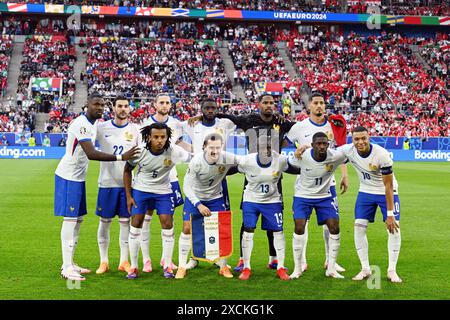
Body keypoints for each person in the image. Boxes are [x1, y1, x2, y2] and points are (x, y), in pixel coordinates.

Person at [191, 94, 297, 272]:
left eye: (272, 103)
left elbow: (300, 128)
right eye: (265, 103)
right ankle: (242, 259)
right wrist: (201, 117)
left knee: (274, 221)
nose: (269, 105)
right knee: (248, 221)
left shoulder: (282, 123)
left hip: (274, 175)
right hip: (252, 173)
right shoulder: (249, 120)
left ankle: (274, 258)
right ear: (259, 104)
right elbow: (224, 117)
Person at [55, 92, 140, 281]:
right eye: (96, 104)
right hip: (68, 176)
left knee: (77, 220)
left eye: (102, 105)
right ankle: (66, 267)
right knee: (70, 220)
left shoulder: (93, 125)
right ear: (87, 104)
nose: (99, 108)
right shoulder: (82, 124)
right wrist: (121, 157)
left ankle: (70, 262)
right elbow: (92, 153)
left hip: (78, 177)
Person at [285, 92, 348, 273]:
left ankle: (331, 261)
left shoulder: (332, 125)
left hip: (329, 182)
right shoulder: (299, 127)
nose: (319, 106)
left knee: (331, 223)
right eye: (316, 103)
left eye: (322, 103)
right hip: (304, 183)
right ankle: (302, 261)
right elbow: (284, 144)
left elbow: (340, 151)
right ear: (309, 106)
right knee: (301, 223)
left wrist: (345, 175)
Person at [123, 122, 191, 279]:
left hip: (163, 191)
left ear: (167, 137)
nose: (159, 140)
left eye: (163, 137)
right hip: (141, 190)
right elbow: (127, 171)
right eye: (156, 137)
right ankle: (133, 267)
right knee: (136, 224)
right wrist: (129, 196)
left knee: (167, 223)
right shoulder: (139, 150)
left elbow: (193, 159)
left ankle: (167, 265)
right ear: (149, 137)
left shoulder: (174, 151)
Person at [337, 126, 402, 283]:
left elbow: (388, 186)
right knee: (358, 227)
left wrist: (390, 214)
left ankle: (392, 270)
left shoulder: (382, 155)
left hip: (387, 192)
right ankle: (365, 268)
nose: (360, 142)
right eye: (356, 139)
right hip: (365, 192)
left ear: (369, 137)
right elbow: (328, 156)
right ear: (352, 140)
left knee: (394, 228)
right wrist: (344, 175)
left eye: (363, 138)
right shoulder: (348, 150)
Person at [180, 97, 236, 270]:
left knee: (218, 221)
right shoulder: (192, 125)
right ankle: (194, 258)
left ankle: (218, 257)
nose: (210, 110)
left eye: (213, 108)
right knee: (192, 223)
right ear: (201, 109)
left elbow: (241, 120)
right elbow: (174, 130)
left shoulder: (225, 124)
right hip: (197, 174)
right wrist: (189, 150)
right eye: (207, 108)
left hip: (218, 175)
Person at [237, 136, 299, 281]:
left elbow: (295, 169)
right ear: (257, 149)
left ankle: (281, 267)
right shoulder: (247, 160)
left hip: (272, 201)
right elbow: (232, 169)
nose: (266, 151)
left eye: (269, 148)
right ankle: (246, 267)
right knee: (248, 231)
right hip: (251, 200)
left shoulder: (280, 160)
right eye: (263, 148)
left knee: (278, 231)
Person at [139, 93, 189, 272]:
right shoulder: (145, 124)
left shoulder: (176, 124)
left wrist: (199, 153)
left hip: (170, 177)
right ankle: (146, 259)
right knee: (146, 217)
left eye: (168, 102)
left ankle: (164, 259)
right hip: (149, 179)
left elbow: (180, 143)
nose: (165, 105)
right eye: (162, 102)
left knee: (169, 219)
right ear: (155, 104)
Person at [94, 96, 141, 275]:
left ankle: (123, 261)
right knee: (104, 223)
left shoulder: (135, 130)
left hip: (127, 185)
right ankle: (103, 261)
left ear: (130, 108)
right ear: (113, 108)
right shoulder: (101, 127)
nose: (123, 109)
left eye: (126, 106)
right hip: (106, 183)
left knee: (125, 223)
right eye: (119, 106)